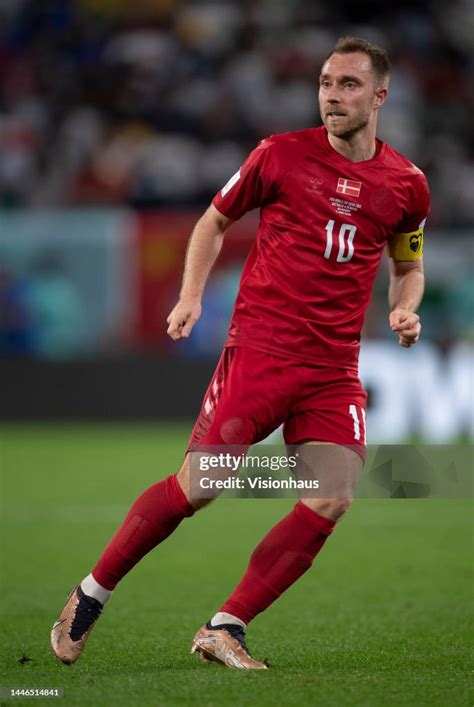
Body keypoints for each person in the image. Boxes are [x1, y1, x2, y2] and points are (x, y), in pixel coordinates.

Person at [51, 36, 429, 670]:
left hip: (334, 369)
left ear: (380, 95)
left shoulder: (407, 184)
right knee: (202, 487)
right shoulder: (279, 154)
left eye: (348, 85)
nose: (332, 96)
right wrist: (190, 297)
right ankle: (90, 594)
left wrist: (405, 306)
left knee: (333, 495)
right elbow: (212, 221)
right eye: (325, 83)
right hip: (262, 350)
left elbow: (407, 263)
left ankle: (225, 625)